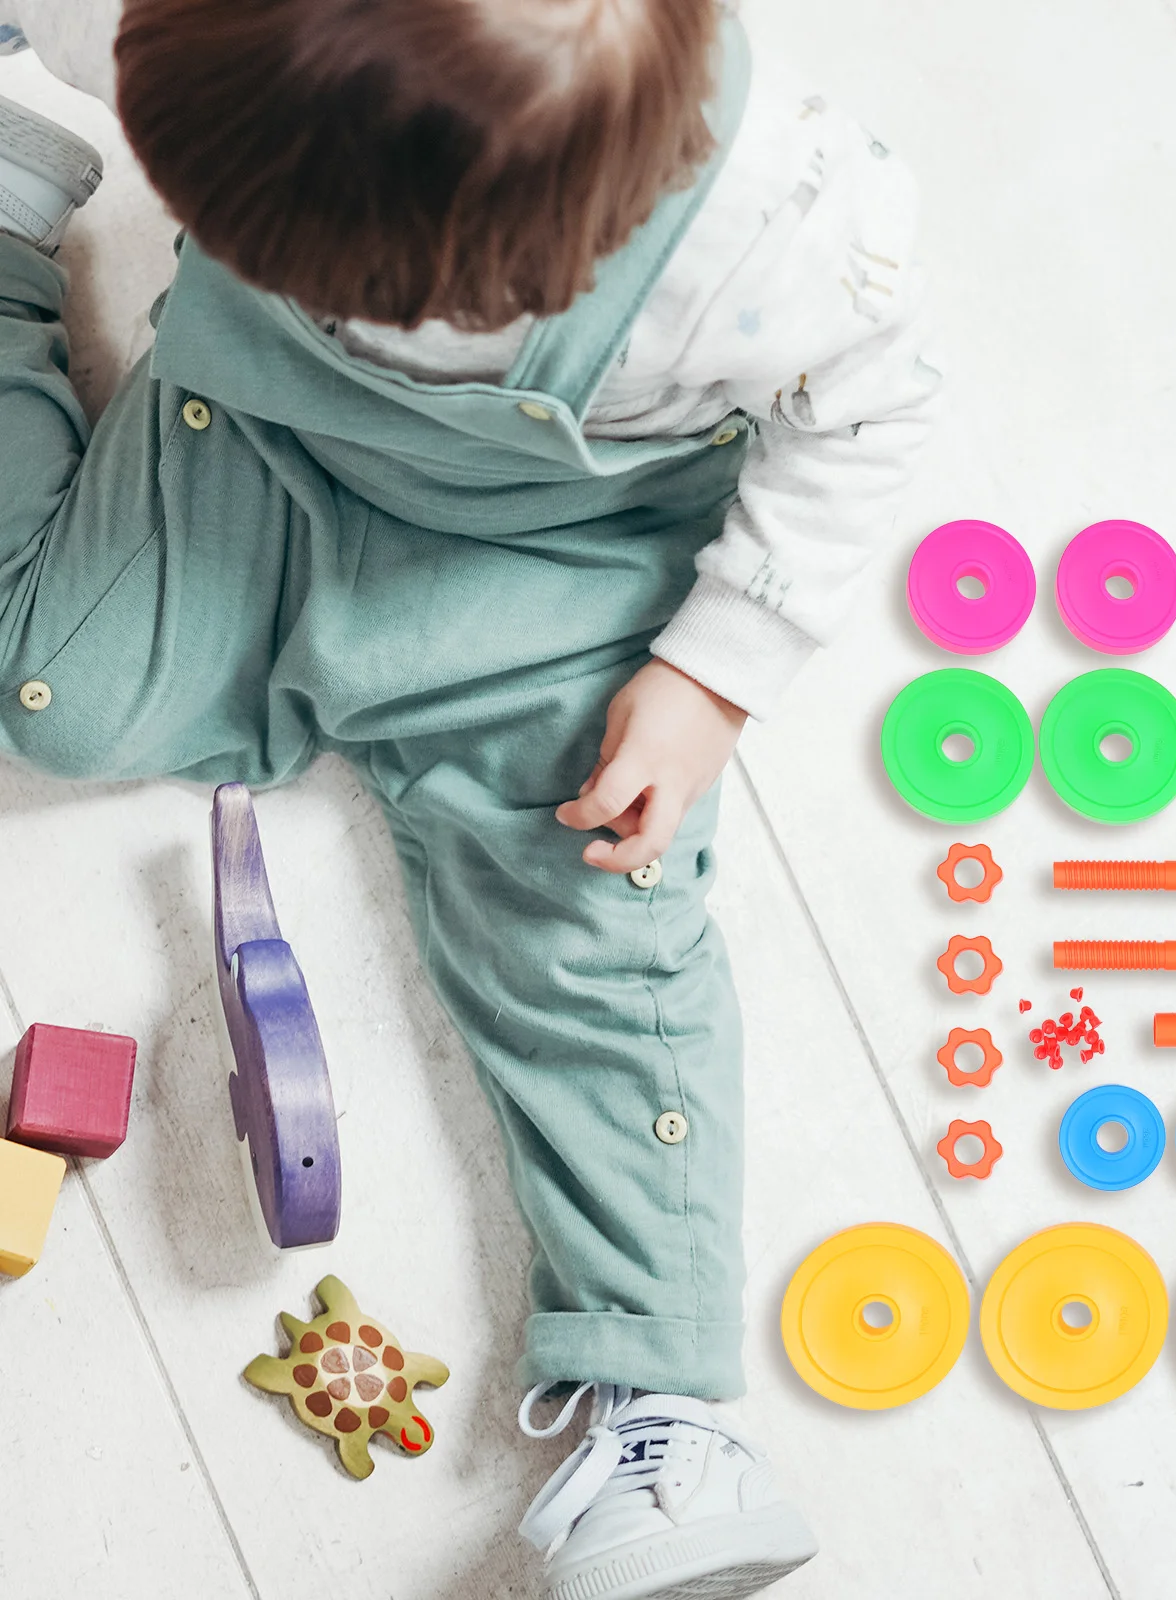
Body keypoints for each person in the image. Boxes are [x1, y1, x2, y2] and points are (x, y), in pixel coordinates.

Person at [0, 2, 936, 1594]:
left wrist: (717, 670)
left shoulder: (779, 224)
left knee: (594, 910)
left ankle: (657, 1400)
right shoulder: (221, 29)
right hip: (258, 450)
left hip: (558, 569)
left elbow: (867, 420)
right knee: (51, 691)